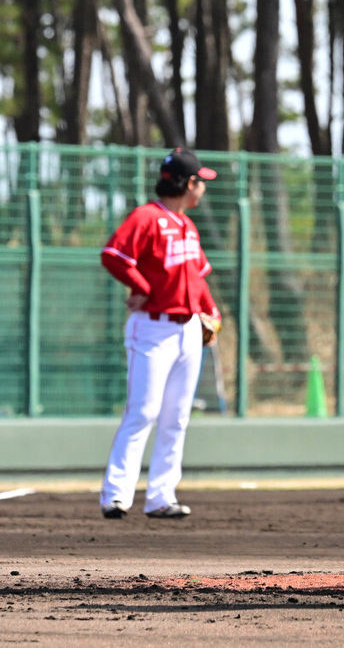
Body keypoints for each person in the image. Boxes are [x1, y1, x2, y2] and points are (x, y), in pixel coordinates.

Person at [99, 148, 221, 520]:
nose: (202, 187)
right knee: (144, 411)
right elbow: (113, 255)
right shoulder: (147, 216)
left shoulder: (186, 225)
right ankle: (116, 495)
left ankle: (161, 496)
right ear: (187, 184)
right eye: (200, 181)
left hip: (186, 331)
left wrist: (210, 311)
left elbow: (196, 278)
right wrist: (142, 288)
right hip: (152, 327)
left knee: (177, 416)